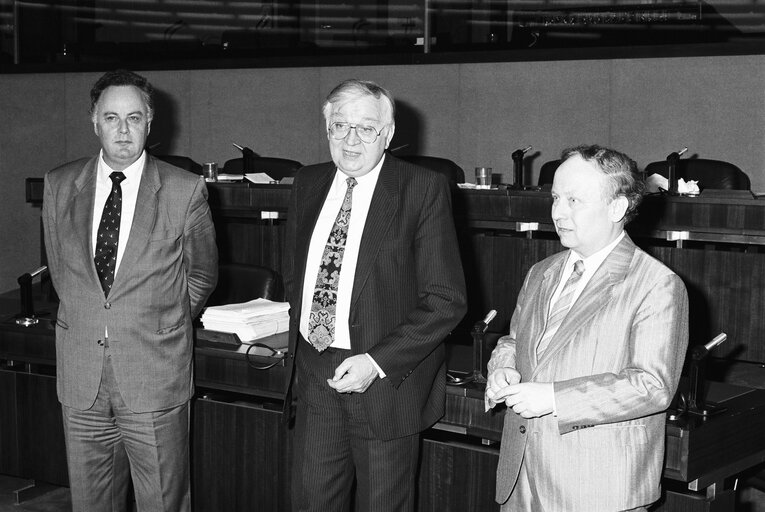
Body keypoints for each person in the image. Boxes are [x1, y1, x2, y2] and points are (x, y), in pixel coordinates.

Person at [283, 79, 467, 512]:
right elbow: (297, 276)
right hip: (315, 375)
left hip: (385, 383)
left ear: (388, 134)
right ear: (326, 128)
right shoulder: (307, 183)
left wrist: (376, 361)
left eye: (366, 128)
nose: (351, 140)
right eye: (340, 126)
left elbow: (446, 299)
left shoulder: (421, 188)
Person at [42, 69, 217, 512]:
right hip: (82, 376)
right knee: (90, 503)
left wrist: (160, 323)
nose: (123, 130)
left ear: (150, 123)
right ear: (94, 121)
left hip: (154, 376)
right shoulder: (59, 185)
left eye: (134, 118)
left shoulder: (183, 189)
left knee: (163, 502)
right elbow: (62, 273)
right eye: (112, 117)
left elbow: (201, 276)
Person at [485, 145, 689, 512]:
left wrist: (552, 398)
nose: (558, 212)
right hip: (522, 479)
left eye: (574, 200)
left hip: (597, 487)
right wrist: (502, 367)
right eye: (556, 197)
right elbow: (515, 340)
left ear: (617, 208)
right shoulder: (541, 272)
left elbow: (652, 386)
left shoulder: (656, 284)